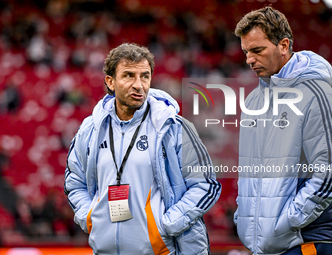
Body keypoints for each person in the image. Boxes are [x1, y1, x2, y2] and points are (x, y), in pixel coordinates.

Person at [64, 43, 221, 255]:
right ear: (110, 82)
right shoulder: (90, 129)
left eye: (145, 76)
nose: (139, 85)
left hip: (160, 250)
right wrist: (90, 217)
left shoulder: (172, 127)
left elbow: (206, 185)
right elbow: (75, 183)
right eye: (128, 75)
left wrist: (166, 225)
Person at [234, 6, 332, 255]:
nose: (249, 60)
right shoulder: (255, 101)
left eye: (257, 50)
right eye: (246, 52)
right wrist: (245, 217)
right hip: (268, 245)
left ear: (284, 45)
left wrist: (287, 222)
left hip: (306, 241)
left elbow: (327, 173)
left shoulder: (316, 91)